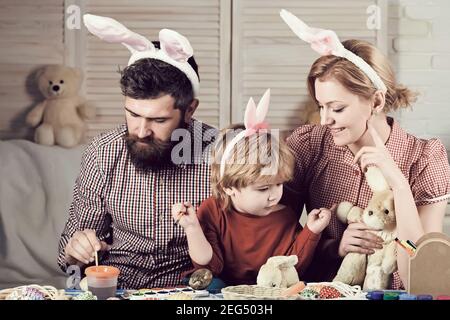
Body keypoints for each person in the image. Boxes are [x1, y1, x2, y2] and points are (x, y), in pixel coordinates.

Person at [280, 10, 450, 289]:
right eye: (321, 107)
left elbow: (421, 276)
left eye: (337, 108)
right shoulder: (309, 145)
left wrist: (399, 186)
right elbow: (276, 240)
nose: (325, 120)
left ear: (377, 101)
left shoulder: (425, 158)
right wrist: (333, 247)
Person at [57, 14, 217, 289]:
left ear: (189, 109)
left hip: (191, 290)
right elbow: (68, 259)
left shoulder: (220, 153)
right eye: (133, 114)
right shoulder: (102, 152)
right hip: (118, 286)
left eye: (158, 120)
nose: (141, 131)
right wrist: (76, 249)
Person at [172, 90, 331, 286]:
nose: (274, 196)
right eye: (263, 189)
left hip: (267, 288)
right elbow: (211, 266)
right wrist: (192, 227)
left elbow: (292, 267)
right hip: (221, 285)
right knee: (210, 284)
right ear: (229, 187)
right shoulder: (212, 210)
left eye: (279, 184)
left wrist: (312, 231)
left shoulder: (283, 215)